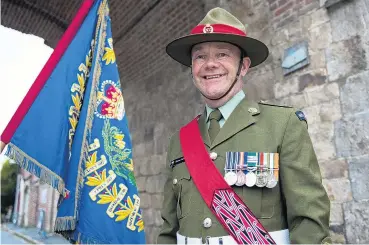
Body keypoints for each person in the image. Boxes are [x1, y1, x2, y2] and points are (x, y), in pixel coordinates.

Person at [157, 7, 332, 245]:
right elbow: (168, 230)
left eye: (222, 54)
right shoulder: (179, 141)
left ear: (244, 66)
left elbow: (309, 223)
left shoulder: (282, 125)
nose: (210, 64)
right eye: (200, 56)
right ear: (192, 67)